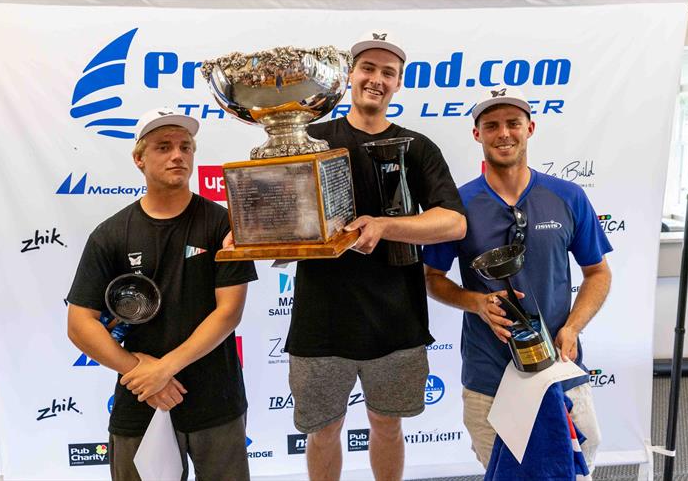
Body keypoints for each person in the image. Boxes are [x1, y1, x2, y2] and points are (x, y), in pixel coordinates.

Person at [285, 32, 467, 481]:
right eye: (368, 69)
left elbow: (454, 222)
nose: (376, 79)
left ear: (398, 84)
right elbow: (279, 210)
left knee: (387, 425)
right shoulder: (309, 139)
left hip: (396, 318)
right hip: (321, 320)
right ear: (350, 75)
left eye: (389, 73)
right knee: (323, 431)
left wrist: (386, 225)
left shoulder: (417, 147)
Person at [423, 87, 612, 472]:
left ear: (530, 128)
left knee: (570, 472)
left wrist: (573, 328)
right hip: (489, 376)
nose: (503, 133)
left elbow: (597, 273)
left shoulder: (567, 196)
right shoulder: (457, 208)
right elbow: (433, 278)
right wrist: (477, 303)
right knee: (501, 473)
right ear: (477, 135)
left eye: (513, 123)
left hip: (560, 368)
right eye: (491, 126)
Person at [67, 108, 257, 481]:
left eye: (186, 147)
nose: (178, 155)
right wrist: (141, 371)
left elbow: (229, 312)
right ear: (139, 159)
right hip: (139, 399)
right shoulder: (110, 234)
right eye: (164, 147)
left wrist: (163, 370)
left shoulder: (223, 223)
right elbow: (79, 324)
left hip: (214, 398)